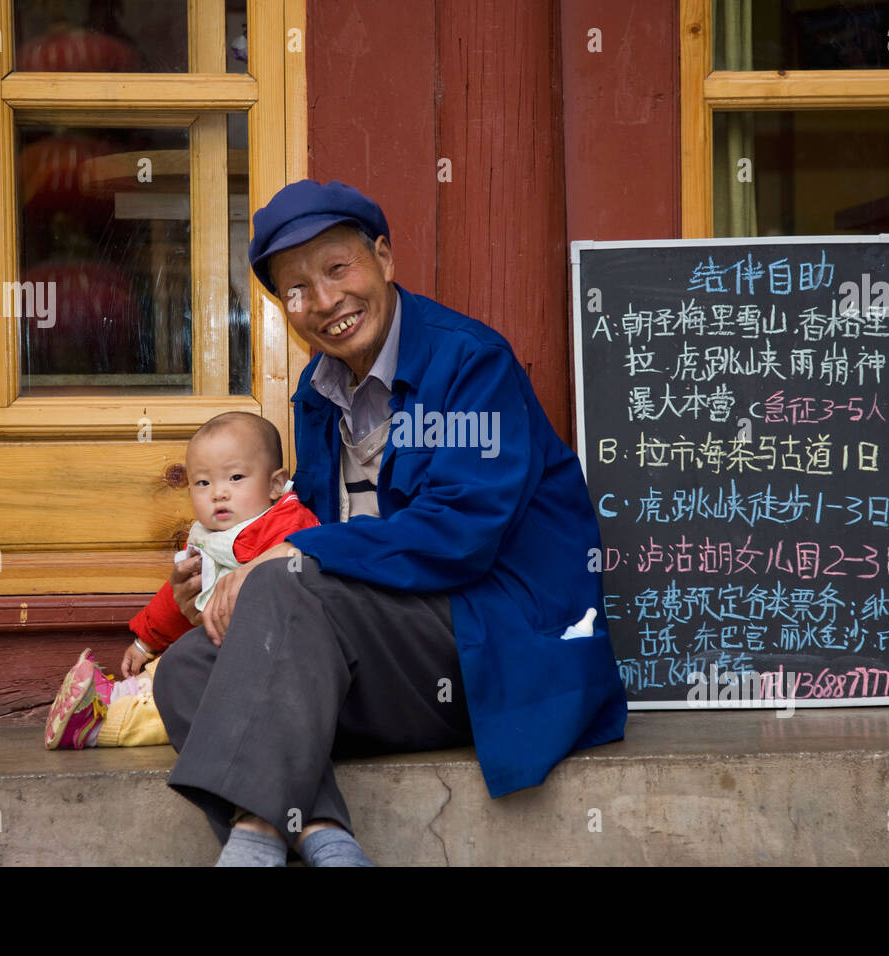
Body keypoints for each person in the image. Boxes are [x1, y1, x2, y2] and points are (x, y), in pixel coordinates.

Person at [153, 179, 627, 867]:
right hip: (386, 655)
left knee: (290, 581)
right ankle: (325, 838)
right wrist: (228, 584)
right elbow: (319, 549)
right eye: (296, 289)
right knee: (187, 669)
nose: (323, 302)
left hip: (490, 649)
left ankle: (256, 839)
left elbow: (458, 536)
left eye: (337, 269)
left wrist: (287, 559)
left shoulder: (471, 365)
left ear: (384, 257)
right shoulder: (319, 395)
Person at [44, 411, 319, 750]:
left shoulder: (286, 525)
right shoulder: (207, 538)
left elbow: (310, 571)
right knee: (163, 672)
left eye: (235, 477)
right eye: (203, 483)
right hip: (210, 648)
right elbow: (178, 597)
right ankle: (110, 697)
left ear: (275, 484)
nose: (219, 493)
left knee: (179, 702)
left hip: (261, 661)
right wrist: (146, 641)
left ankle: (105, 724)